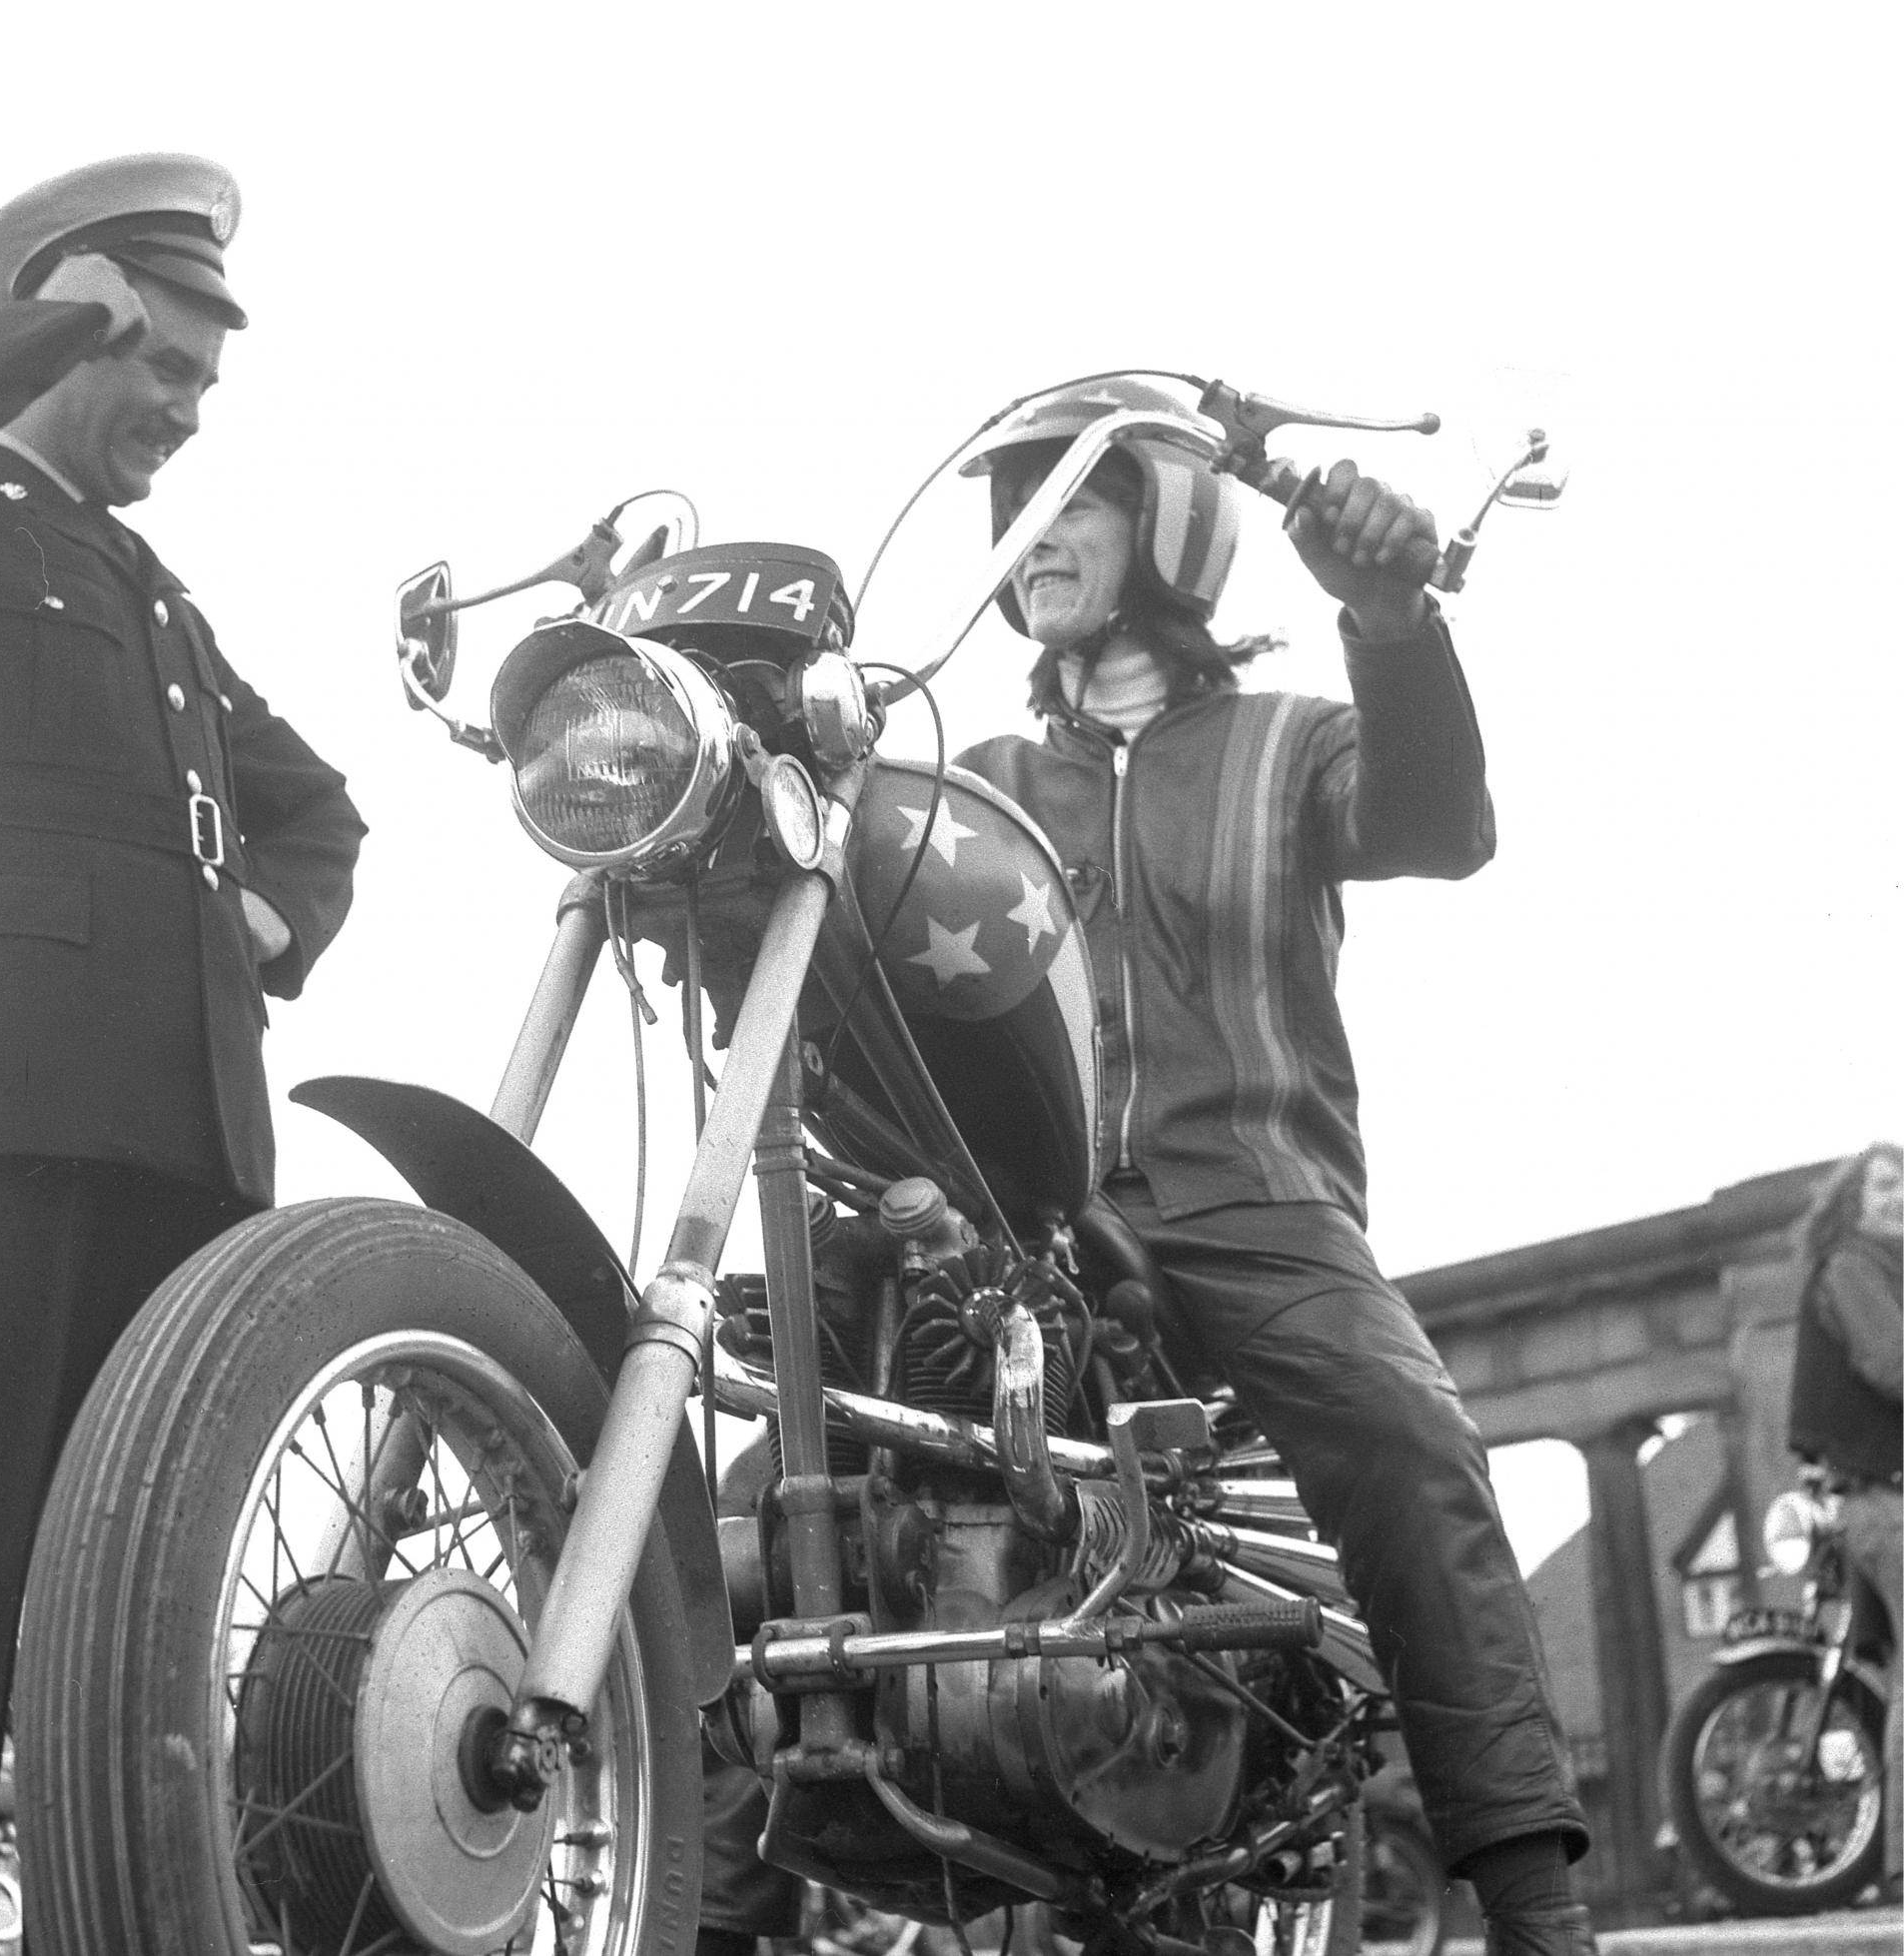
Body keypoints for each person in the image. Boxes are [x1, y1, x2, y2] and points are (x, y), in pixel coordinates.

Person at [698, 376, 1590, 1956]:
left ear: (1172, 534)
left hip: (1250, 1198)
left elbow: (1440, 825)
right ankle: (708, 1887)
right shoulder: (962, 780)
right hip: (1004, 1216)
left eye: (1069, 507)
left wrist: (1389, 621)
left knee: (1407, 1440)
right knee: (751, 1460)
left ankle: (1533, 1900)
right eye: (1014, 513)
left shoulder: (1289, 744)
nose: (1024, 540)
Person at [0, 154, 367, 1955]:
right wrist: (43, 319)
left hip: (179, 1133)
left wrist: (261, 930)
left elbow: (323, 811)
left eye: (206, 382)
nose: (189, 415)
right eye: (163, 364)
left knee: (136, 1599)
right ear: (77, 318)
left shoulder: (158, 605)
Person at [1785, 1140, 1904, 1892]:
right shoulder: (1857, 1267)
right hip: (1886, 1500)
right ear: (1851, 1199)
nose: (1898, 1198)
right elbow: (1893, 1362)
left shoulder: (1881, 1269)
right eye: (1884, 1184)